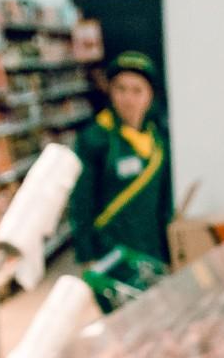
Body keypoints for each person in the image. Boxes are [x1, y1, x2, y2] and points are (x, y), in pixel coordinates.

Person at [69, 50, 175, 264]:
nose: (128, 99)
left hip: (152, 253)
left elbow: (165, 203)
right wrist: (86, 256)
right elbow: (81, 203)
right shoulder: (95, 138)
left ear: (150, 95)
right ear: (110, 91)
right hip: (109, 256)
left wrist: (171, 252)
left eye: (137, 90)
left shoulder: (159, 141)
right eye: (121, 89)